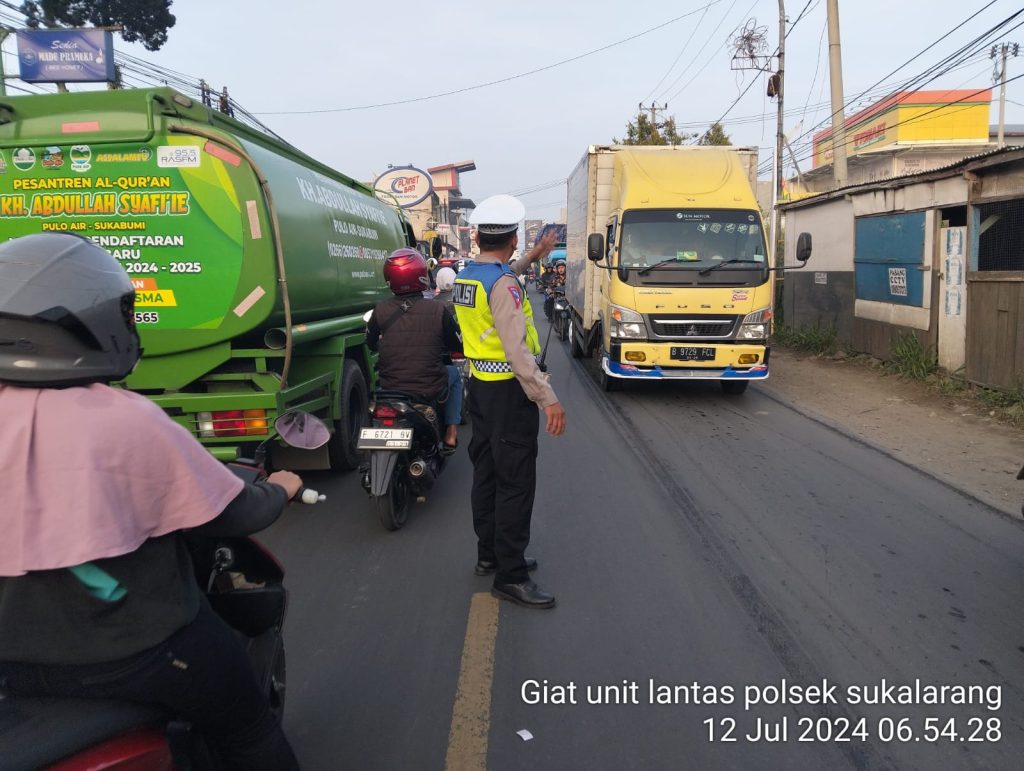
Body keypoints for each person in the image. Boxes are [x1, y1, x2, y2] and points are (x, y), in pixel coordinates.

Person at [0, 233, 301, 770]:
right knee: (250, 729)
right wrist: (281, 487)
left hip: (12, 663)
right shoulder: (125, 417)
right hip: (135, 651)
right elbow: (239, 513)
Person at [453, 194, 566, 609]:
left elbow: (505, 278)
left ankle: (490, 554)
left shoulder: (470, 275)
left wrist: (535, 256)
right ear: (513, 238)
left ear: (479, 236)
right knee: (515, 482)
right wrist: (547, 397)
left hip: (480, 389)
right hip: (509, 394)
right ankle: (511, 575)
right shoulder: (500, 284)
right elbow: (518, 353)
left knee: (486, 474)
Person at [367, 248, 463, 452]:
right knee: (454, 374)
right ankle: (451, 432)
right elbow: (456, 345)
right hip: (428, 387)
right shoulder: (438, 310)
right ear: (421, 275)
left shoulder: (380, 310)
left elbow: (370, 342)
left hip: (390, 387)